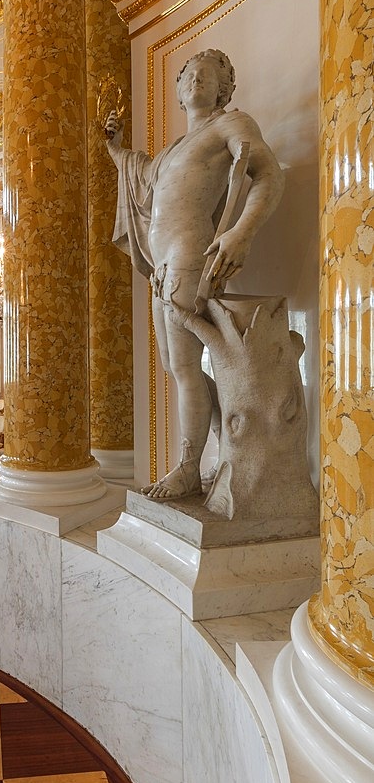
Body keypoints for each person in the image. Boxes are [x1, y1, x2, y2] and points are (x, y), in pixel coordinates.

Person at [105, 49, 284, 499]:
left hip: (190, 254)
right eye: (189, 76)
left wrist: (241, 232)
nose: (196, 81)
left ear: (224, 89)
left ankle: (187, 467)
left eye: (209, 76)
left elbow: (268, 175)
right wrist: (114, 148)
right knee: (174, 366)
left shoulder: (229, 124)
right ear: (179, 92)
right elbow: (138, 175)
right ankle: (229, 438)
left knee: (185, 366)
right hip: (160, 264)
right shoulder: (170, 151)